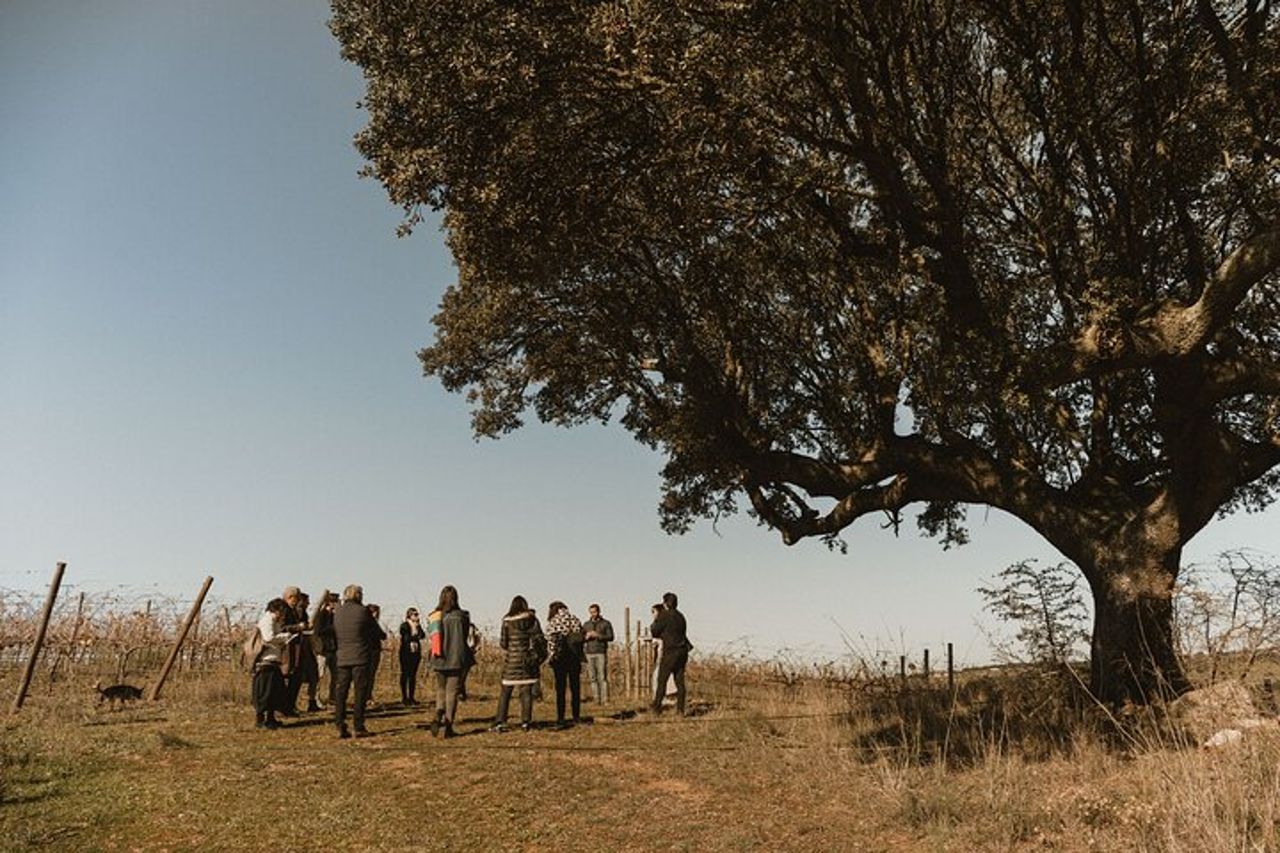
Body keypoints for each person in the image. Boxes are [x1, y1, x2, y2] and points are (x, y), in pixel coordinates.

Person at [492, 595, 544, 732]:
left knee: (505, 692)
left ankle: (500, 721)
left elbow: (503, 643)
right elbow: (539, 638)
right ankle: (526, 722)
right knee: (526, 691)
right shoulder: (532, 619)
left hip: (511, 660)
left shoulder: (507, 621)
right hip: (527, 660)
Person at [426, 585, 472, 738]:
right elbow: (466, 637)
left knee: (441, 689)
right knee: (452, 692)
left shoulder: (435, 616)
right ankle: (448, 724)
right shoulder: (463, 616)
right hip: (456, 657)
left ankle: (438, 712)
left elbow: (431, 637)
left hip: (439, 657)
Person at [332, 584, 375, 738]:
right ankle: (358, 725)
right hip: (360, 656)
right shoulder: (363, 611)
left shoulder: (338, 612)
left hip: (342, 656)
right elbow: (375, 631)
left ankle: (339, 723)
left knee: (341, 692)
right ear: (358, 595)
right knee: (360, 692)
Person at [251, 598, 293, 729]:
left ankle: (270, 718)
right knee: (265, 692)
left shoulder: (274, 621)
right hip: (266, 660)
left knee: (274, 692)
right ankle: (261, 720)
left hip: (273, 660)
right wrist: (285, 637)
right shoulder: (267, 620)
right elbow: (268, 637)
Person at [545, 601, 584, 729]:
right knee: (575, 688)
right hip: (574, 657)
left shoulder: (553, 622)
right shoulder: (575, 619)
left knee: (560, 689)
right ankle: (576, 716)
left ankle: (561, 717)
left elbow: (551, 642)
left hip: (560, 659)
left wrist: (550, 657)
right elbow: (581, 637)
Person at [650, 592, 690, 716]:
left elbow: (655, 631)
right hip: (682, 650)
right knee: (680, 681)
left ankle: (656, 708)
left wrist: (656, 619)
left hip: (670, 651)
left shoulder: (664, 615)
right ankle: (680, 710)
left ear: (665, 603)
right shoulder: (681, 616)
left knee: (662, 680)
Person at [280, 586, 309, 717]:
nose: (296, 601)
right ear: (289, 597)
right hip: (287, 650)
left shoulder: (294, 610)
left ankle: (289, 706)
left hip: (296, 649)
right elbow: (282, 628)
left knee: (296, 678)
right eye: (295, 598)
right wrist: (298, 627)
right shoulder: (283, 610)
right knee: (288, 678)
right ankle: (284, 707)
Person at [582, 603, 614, 705]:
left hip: (600, 651)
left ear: (599, 611)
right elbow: (581, 638)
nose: (593, 614)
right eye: (591, 612)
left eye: (594, 612)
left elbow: (611, 637)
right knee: (592, 677)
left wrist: (598, 635)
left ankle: (605, 700)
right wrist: (585, 637)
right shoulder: (586, 625)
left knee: (602, 677)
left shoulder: (606, 623)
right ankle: (596, 699)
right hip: (589, 652)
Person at [312, 591, 339, 706]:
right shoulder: (321, 615)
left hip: (333, 649)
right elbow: (318, 631)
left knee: (336, 675)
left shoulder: (335, 616)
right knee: (320, 675)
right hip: (323, 649)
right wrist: (333, 628)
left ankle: (332, 697)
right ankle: (316, 698)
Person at [296, 591, 321, 712]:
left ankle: (312, 702)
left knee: (313, 676)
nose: (308, 603)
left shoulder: (303, 613)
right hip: (300, 649)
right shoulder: (297, 612)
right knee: (300, 677)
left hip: (306, 648)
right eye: (306, 601)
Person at [398, 607, 425, 706]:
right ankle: (404, 697)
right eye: (415, 614)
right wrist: (415, 636)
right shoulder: (404, 625)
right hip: (406, 652)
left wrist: (418, 627)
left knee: (413, 675)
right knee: (405, 674)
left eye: (417, 614)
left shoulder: (418, 626)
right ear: (409, 615)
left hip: (415, 652)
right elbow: (406, 638)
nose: (417, 616)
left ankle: (412, 697)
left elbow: (422, 635)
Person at [366, 603, 387, 704]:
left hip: (370, 650)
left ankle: (368, 695)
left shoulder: (368, 623)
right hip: (372, 650)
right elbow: (382, 635)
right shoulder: (372, 623)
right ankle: (367, 696)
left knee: (369, 675)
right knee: (369, 675)